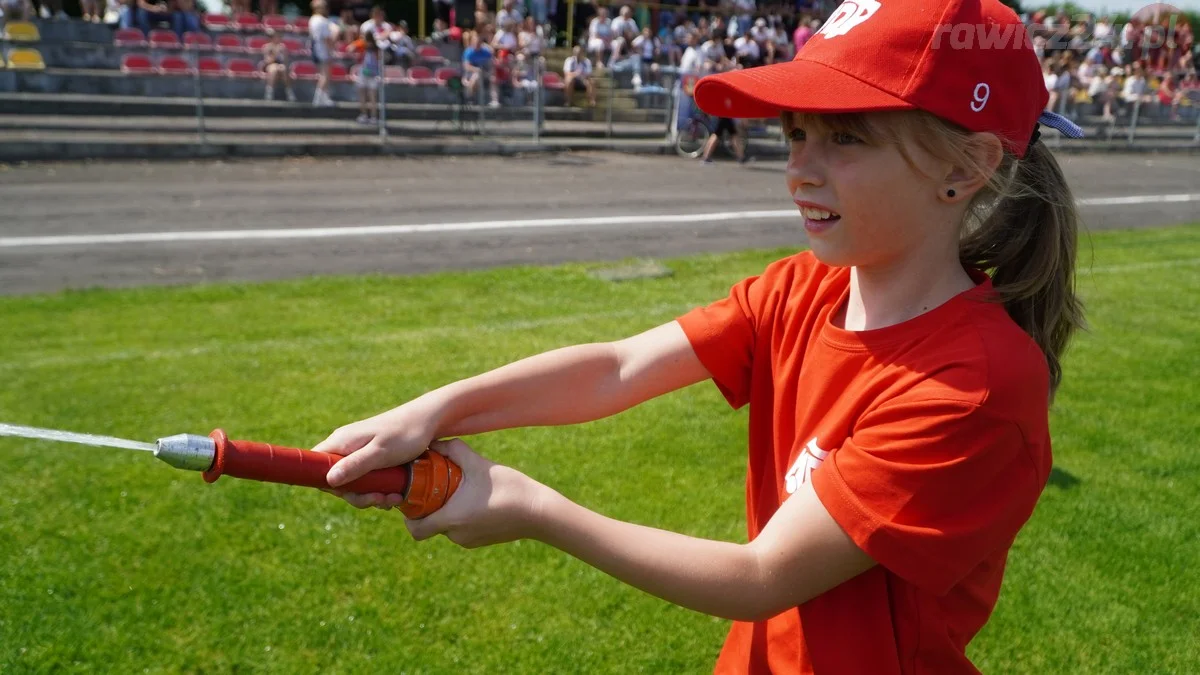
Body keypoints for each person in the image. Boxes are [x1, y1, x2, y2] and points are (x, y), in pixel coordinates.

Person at [314, 0, 1087, 672]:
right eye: (794, 134)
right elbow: (616, 368)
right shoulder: (800, 287)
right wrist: (437, 409)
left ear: (966, 167)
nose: (800, 171)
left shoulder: (976, 381)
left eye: (845, 139)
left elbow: (761, 575)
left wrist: (535, 508)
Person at [309, 0, 336, 107]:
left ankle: (324, 97)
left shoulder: (312, 19)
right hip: (323, 49)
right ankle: (318, 97)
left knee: (322, 74)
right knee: (325, 75)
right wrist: (331, 51)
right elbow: (327, 39)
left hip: (316, 48)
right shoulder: (323, 21)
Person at [262, 29, 297, 102]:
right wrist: (276, 52)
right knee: (274, 69)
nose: (279, 39)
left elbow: (285, 61)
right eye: (276, 37)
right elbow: (267, 61)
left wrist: (284, 53)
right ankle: (269, 93)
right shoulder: (267, 47)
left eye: (279, 37)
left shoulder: (283, 47)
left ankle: (289, 92)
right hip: (270, 65)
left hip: (280, 65)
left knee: (283, 69)